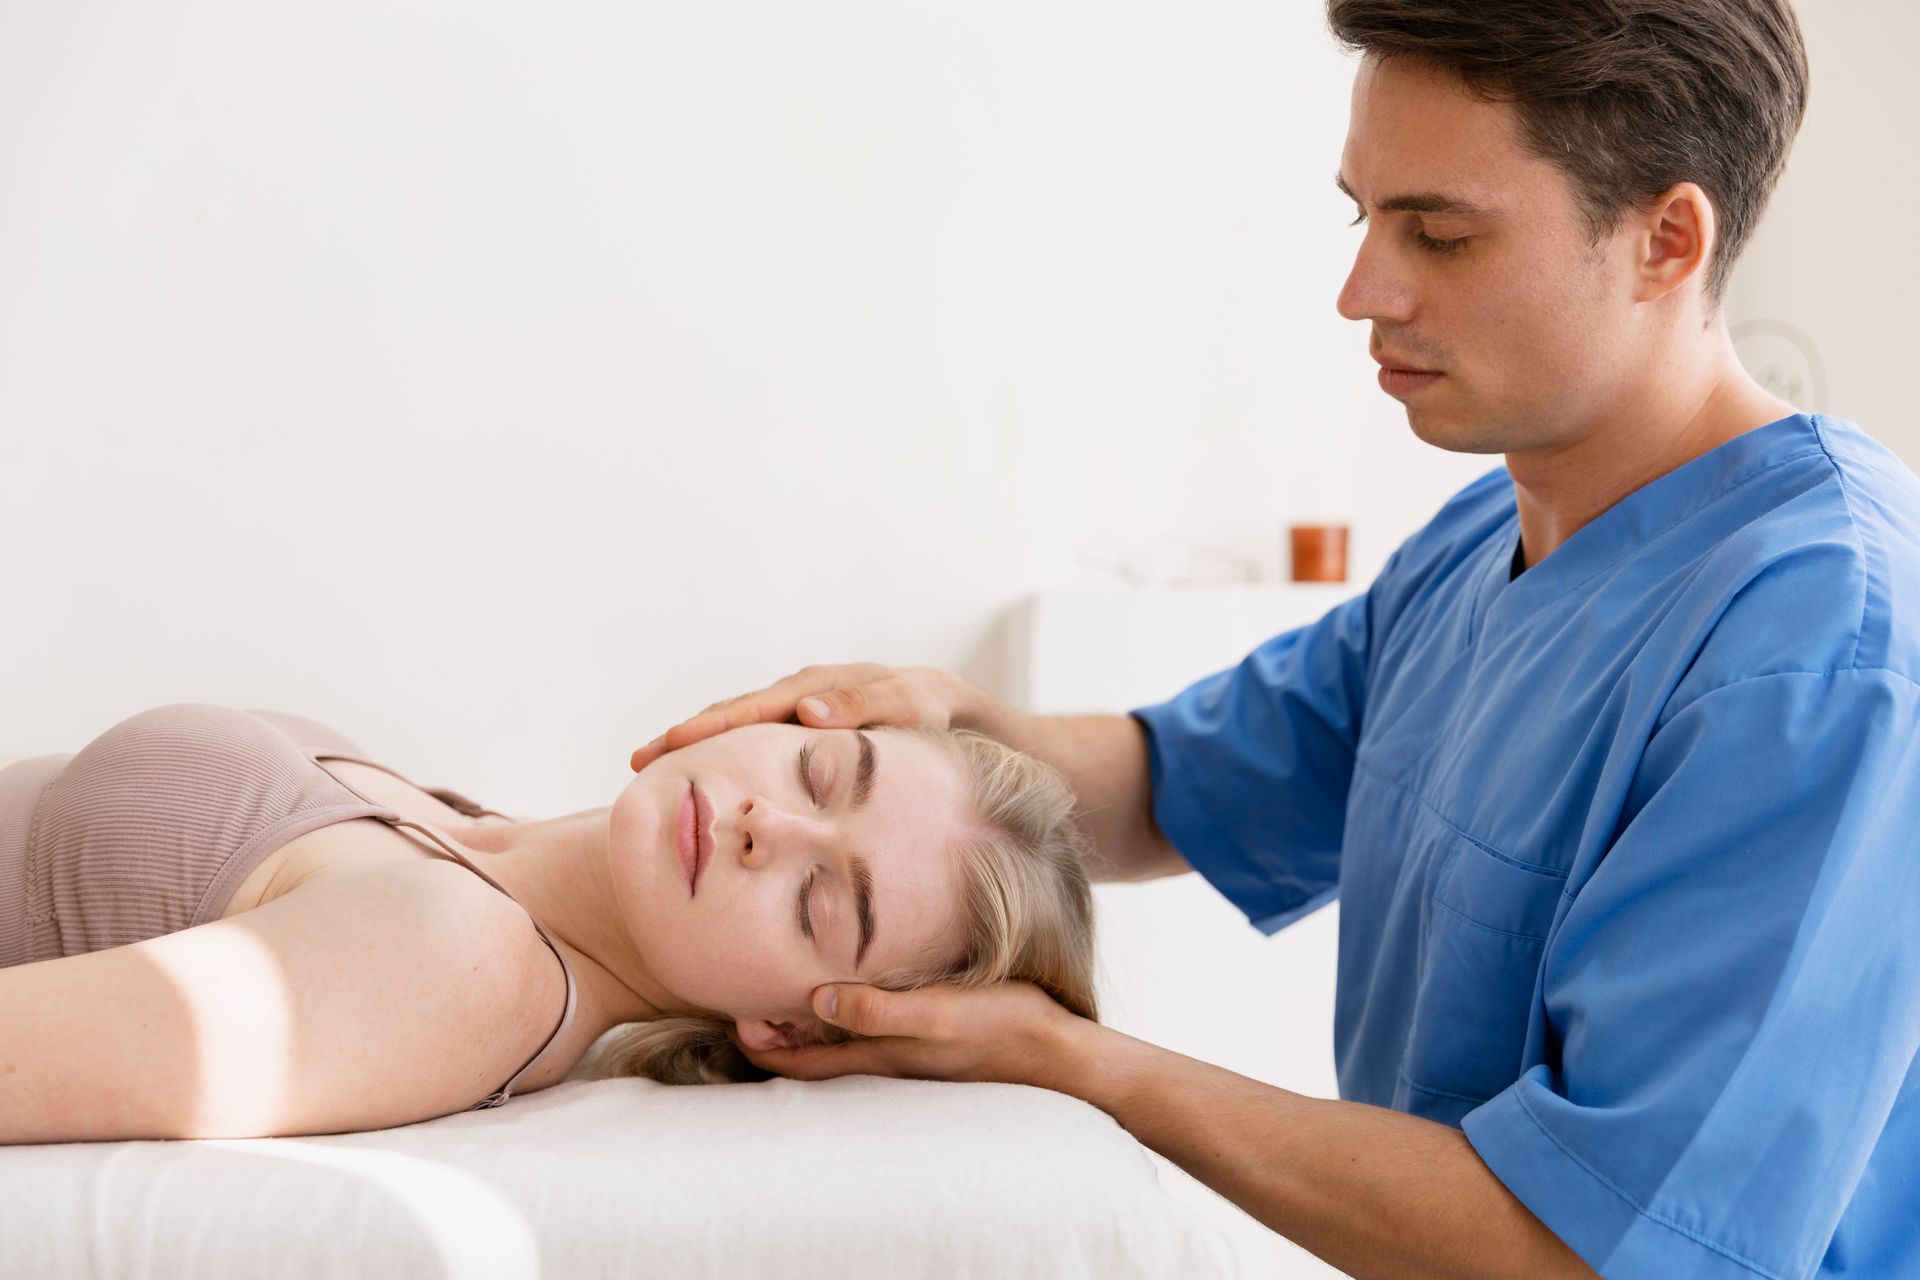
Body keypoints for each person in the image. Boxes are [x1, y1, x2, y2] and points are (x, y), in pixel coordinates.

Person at [632, 2, 1920, 1277]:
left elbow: (1594, 1252)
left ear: (1665, 241)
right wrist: (958, 727)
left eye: (1443, 234)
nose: (1365, 290)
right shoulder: (1493, 529)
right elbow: (1187, 785)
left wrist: (1074, 1058)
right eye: (1363, 214)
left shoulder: (1822, 649)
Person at [0, 702, 1097, 1141]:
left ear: (797, 1030)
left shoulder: (462, 964)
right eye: (820, 767)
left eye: (823, 902)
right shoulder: (489, 843)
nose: (772, 822)